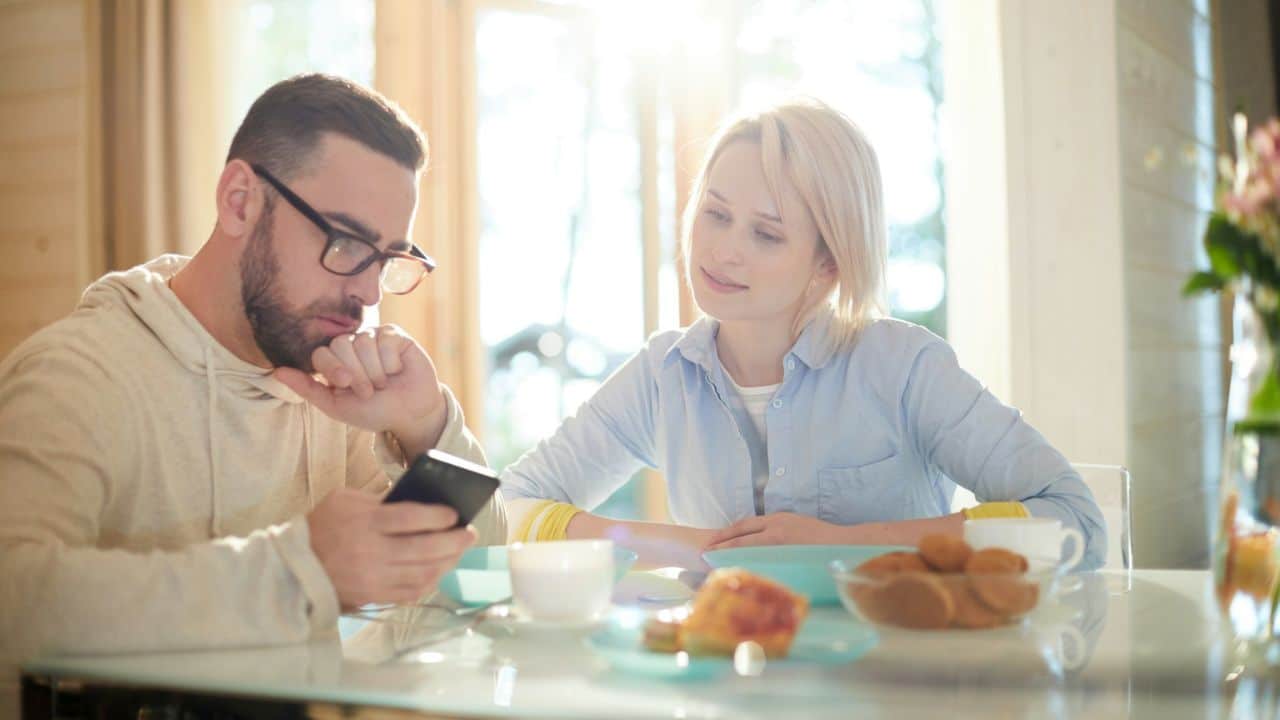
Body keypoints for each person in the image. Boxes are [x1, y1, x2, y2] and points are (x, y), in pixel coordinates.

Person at [0, 74, 506, 697]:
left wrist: (428, 423)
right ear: (240, 200)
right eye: (346, 241)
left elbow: (478, 576)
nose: (369, 293)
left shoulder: (329, 390)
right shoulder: (77, 376)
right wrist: (301, 571)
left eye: (386, 258)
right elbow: (12, 601)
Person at [500, 99, 1104, 570]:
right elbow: (509, 507)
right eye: (715, 214)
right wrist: (696, 546)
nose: (724, 250)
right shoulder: (662, 376)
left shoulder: (904, 366)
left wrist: (844, 545)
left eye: (766, 234)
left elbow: (1074, 521)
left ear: (828, 264)